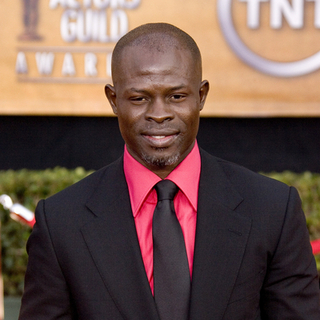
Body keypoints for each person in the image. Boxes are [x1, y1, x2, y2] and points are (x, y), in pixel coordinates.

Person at [19, 23, 320, 319]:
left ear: (201, 95)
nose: (159, 114)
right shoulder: (60, 223)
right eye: (139, 98)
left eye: (177, 96)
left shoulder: (272, 210)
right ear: (113, 100)